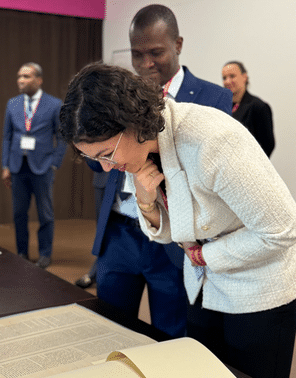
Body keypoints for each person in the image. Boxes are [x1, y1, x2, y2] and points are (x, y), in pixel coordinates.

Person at [59, 63, 296, 378]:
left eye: (105, 155)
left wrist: (202, 255)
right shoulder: (138, 149)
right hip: (202, 285)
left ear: (132, 123)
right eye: (92, 158)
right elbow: (172, 230)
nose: (105, 167)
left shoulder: (213, 140)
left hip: (258, 290)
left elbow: (282, 230)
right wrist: (145, 200)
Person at [72, 4, 232, 337]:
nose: (146, 63)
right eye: (137, 53)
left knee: (171, 331)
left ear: (178, 45)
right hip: (119, 230)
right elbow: (96, 160)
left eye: (156, 52)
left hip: (173, 237)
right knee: (110, 327)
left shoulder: (212, 98)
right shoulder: (119, 94)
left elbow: (205, 168)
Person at [1, 62, 67, 269]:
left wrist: (55, 163)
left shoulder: (54, 104)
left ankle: (45, 254)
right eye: (19, 76)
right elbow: (7, 137)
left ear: (39, 80)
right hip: (18, 167)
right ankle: (22, 252)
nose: (21, 80)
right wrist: (5, 166)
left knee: (45, 214)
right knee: (19, 213)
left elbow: (62, 136)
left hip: (43, 167)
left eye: (26, 76)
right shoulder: (12, 104)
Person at [222, 61, 275, 157]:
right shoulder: (222, 107)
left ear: (244, 77)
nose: (227, 81)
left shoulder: (259, 107)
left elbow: (267, 145)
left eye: (232, 76)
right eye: (224, 78)